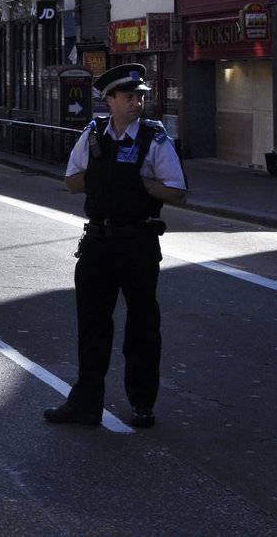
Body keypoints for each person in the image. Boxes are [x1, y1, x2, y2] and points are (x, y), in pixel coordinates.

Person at [44, 63, 187, 430]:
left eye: (140, 96)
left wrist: (141, 185)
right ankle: (85, 405)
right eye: (129, 96)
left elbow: (177, 191)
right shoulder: (93, 136)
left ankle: (142, 404)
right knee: (92, 327)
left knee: (142, 326)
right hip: (97, 244)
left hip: (138, 241)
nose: (137, 102)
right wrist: (101, 180)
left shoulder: (154, 140)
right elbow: (71, 181)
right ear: (110, 100)